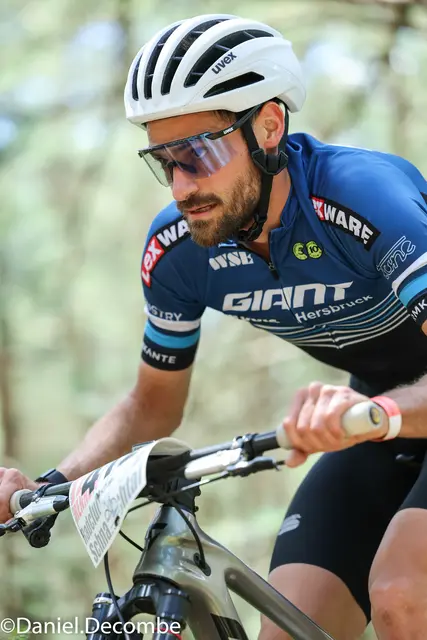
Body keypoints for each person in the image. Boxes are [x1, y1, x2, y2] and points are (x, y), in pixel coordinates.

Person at [2, 12, 427, 640]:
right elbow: (151, 405)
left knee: (401, 594)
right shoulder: (176, 253)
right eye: (164, 161)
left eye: (198, 154)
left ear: (269, 126)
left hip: (380, 412)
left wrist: (382, 413)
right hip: (373, 416)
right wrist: (47, 486)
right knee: (289, 627)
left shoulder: (363, 198)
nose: (181, 187)